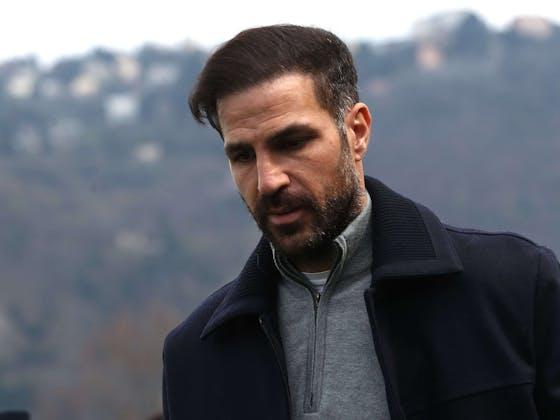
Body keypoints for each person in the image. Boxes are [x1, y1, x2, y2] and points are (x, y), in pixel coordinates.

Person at [162, 25, 560, 420]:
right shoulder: (195, 356)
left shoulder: (516, 287)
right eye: (243, 156)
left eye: (292, 143)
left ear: (357, 132)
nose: (268, 180)